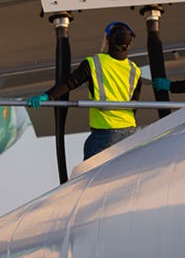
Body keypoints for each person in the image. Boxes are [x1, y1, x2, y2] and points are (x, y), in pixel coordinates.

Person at [28, 21, 142, 159]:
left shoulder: (94, 63)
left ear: (108, 41)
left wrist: (47, 96)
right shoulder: (135, 70)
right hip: (131, 132)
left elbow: (69, 83)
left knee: (90, 177)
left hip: (104, 134)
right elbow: (134, 103)